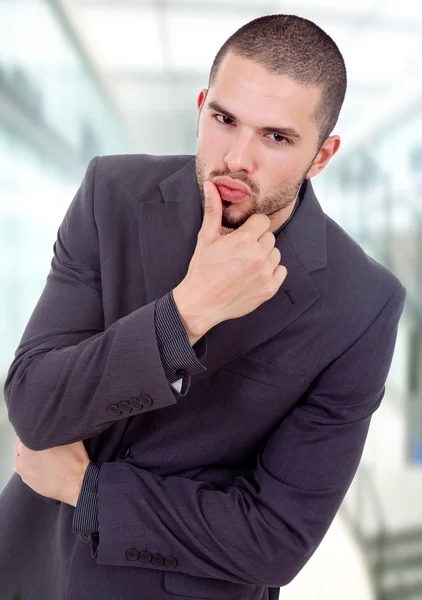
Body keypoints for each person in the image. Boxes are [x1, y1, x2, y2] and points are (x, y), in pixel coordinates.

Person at [1, 13, 406, 600]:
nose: (237, 157)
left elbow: (274, 540)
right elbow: (36, 406)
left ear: (322, 155)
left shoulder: (362, 303)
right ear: (201, 107)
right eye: (224, 119)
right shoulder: (109, 195)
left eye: (277, 137)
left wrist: (89, 490)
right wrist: (185, 314)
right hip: (38, 571)